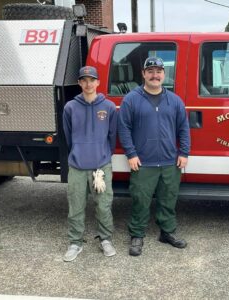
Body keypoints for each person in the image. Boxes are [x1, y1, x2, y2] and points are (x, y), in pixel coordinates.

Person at [118, 57, 191, 256]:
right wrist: (131, 154)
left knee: (168, 200)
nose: (155, 75)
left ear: (164, 75)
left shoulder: (174, 100)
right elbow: (123, 128)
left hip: (170, 162)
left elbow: (184, 128)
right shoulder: (131, 99)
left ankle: (167, 232)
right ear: (143, 74)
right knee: (140, 201)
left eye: (159, 71)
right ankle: (137, 235)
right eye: (150, 71)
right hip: (143, 163)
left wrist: (184, 152)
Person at [62, 66, 117, 261]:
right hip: (77, 167)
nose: (88, 84)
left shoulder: (109, 107)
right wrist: (78, 152)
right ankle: (75, 243)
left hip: (100, 167)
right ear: (79, 83)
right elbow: (68, 137)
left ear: (98, 82)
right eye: (84, 80)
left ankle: (106, 240)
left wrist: (102, 157)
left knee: (103, 206)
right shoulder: (70, 107)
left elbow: (112, 137)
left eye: (91, 80)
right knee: (76, 206)